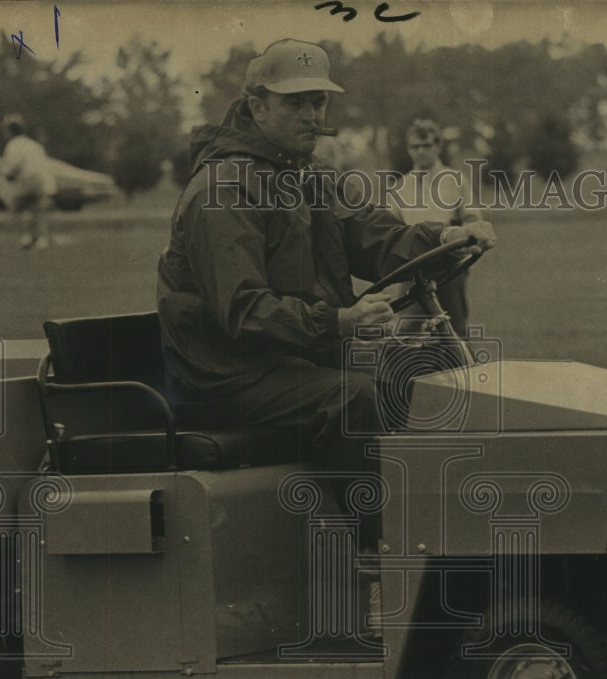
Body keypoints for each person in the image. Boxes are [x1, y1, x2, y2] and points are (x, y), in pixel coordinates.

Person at [156, 40, 495, 566]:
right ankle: (386, 553)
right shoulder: (223, 189)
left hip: (287, 360)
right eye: (295, 103)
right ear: (257, 105)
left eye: (319, 102)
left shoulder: (307, 174)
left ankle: (449, 533)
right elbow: (243, 311)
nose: (312, 115)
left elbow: (379, 237)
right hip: (226, 372)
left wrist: (446, 237)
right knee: (354, 397)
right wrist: (338, 321)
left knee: (426, 377)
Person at [391, 118, 484, 338]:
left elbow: (471, 216)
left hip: (448, 265)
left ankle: (463, 371)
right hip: (412, 267)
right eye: (415, 146)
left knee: (453, 330)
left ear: (438, 146)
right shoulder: (400, 187)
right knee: (405, 331)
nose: (421, 152)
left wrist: (470, 237)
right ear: (408, 149)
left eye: (427, 145)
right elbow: (390, 228)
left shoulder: (455, 180)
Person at [0, 114, 57, 250]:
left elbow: (13, 165)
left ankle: (27, 237)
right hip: (41, 181)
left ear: (9, 131)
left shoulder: (13, 145)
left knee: (20, 208)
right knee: (38, 211)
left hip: (25, 181)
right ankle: (42, 239)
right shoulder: (34, 144)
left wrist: (6, 176)